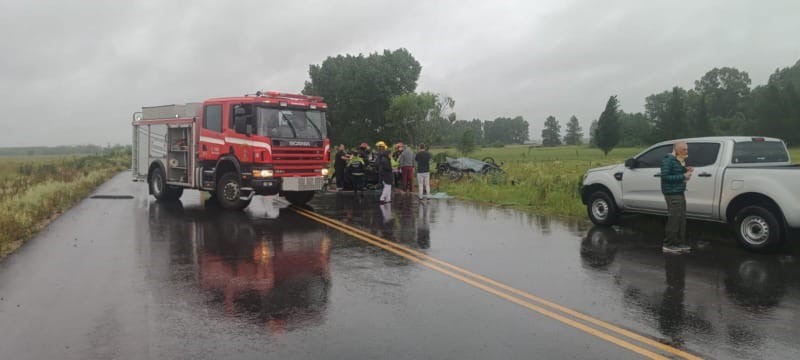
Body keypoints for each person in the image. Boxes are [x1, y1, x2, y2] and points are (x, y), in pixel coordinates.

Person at [661, 141, 693, 254]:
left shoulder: (679, 160)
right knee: (674, 219)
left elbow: (676, 172)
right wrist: (683, 175)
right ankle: (668, 244)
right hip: (671, 193)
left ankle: (679, 243)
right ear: (677, 149)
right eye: (684, 149)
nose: (686, 151)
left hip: (679, 192)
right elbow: (665, 177)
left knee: (681, 218)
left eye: (687, 149)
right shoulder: (669, 160)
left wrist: (686, 170)